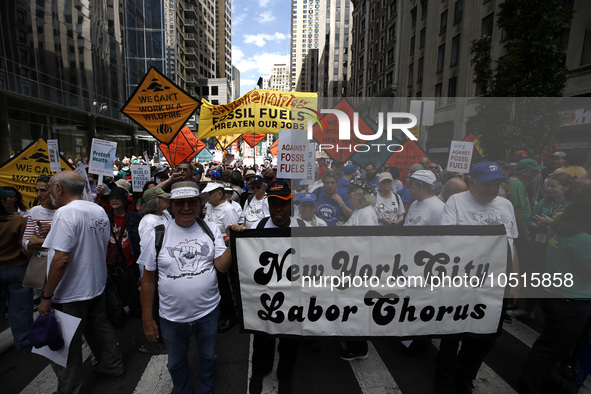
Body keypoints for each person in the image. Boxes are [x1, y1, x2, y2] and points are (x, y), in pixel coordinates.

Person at [139, 181, 232, 394]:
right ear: (171, 205)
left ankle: (205, 390)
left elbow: (221, 266)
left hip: (208, 312)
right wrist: (147, 319)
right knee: (176, 363)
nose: (186, 207)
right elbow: (148, 280)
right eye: (180, 203)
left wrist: (233, 243)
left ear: (200, 205)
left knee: (209, 357)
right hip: (172, 318)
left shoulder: (210, 230)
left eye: (192, 202)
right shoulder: (157, 234)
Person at [436, 162, 519, 394]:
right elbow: (447, 241)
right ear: (472, 182)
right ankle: (443, 377)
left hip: (496, 282)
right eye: (486, 183)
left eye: (497, 183)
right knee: (453, 333)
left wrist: (515, 280)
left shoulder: (506, 204)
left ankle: (465, 377)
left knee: (486, 335)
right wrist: (485, 233)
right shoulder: (456, 202)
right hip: (464, 281)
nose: (492, 188)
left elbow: (512, 243)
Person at [39, 171, 125, 393]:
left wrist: (46, 296)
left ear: (60, 189)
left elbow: (61, 259)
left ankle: (69, 388)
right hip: (95, 285)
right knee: (100, 329)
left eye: (49, 187)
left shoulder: (65, 213)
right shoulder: (97, 209)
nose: (48, 192)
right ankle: (113, 367)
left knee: (65, 344)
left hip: (71, 292)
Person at [518, 177, 591, 394]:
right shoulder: (582, 239)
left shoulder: (561, 229)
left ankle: (540, 378)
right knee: (549, 349)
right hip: (571, 301)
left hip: (554, 295)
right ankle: (530, 385)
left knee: (550, 345)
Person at [236, 180, 304, 394]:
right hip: (265, 298)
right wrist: (239, 236)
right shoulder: (259, 226)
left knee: (290, 342)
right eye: (274, 204)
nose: (278, 210)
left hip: (293, 298)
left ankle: (285, 375)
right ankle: (261, 369)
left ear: (291, 205)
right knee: (262, 339)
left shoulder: (303, 227)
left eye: (283, 204)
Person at [508, 172, 573, 320]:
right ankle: (528, 309)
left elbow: (574, 228)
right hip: (540, 246)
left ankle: (554, 315)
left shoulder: (572, 206)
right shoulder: (544, 203)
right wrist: (536, 225)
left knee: (555, 282)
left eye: (553, 186)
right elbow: (530, 221)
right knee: (534, 279)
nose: (549, 189)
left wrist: (553, 224)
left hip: (559, 250)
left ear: (566, 187)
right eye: (548, 185)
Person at [202, 182, 240, 333]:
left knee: (226, 286)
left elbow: (232, 235)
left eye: (209, 195)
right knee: (217, 285)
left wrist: (216, 240)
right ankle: (223, 311)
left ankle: (232, 316)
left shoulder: (228, 210)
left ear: (219, 194)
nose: (207, 199)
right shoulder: (210, 207)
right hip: (210, 254)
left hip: (223, 254)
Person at [0, 188, 32, 354]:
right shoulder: (18, 221)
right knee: (20, 309)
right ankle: (24, 344)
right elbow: (26, 247)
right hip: (17, 268)